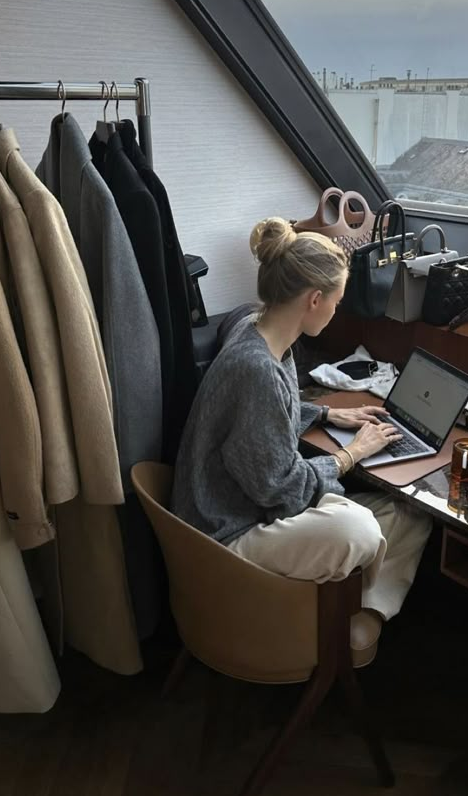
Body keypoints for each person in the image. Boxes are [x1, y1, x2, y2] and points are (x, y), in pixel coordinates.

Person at [172, 217, 432, 622]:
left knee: (412, 514)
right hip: (228, 536)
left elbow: (255, 425)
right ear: (314, 299)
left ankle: (361, 611)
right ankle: (337, 611)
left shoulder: (254, 330)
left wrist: (326, 412)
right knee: (359, 528)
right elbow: (280, 485)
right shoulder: (256, 368)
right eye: (337, 300)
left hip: (244, 510)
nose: (335, 310)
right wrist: (352, 453)